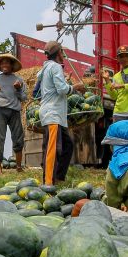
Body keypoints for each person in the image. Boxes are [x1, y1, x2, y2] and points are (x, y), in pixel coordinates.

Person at [36, 41, 86, 185]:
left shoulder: (45, 68)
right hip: (52, 114)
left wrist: (65, 82)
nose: (63, 55)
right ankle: (48, 183)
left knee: (68, 145)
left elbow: (43, 81)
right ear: (59, 53)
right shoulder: (56, 67)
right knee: (52, 149)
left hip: (56, 115)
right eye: (62, 52)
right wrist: (75, 87)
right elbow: (62, 90)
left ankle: (58, 177)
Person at [0, 53, 26, 174]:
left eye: (7, 62)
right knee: (0, 138)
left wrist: (18, 89)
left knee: (18, 139)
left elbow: (24, 97)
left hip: (14, 111)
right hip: (0, 111)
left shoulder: (19, 80)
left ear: (12, 65)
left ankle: (18, 166)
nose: (4, 64)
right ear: (0, 65)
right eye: (2, 63)